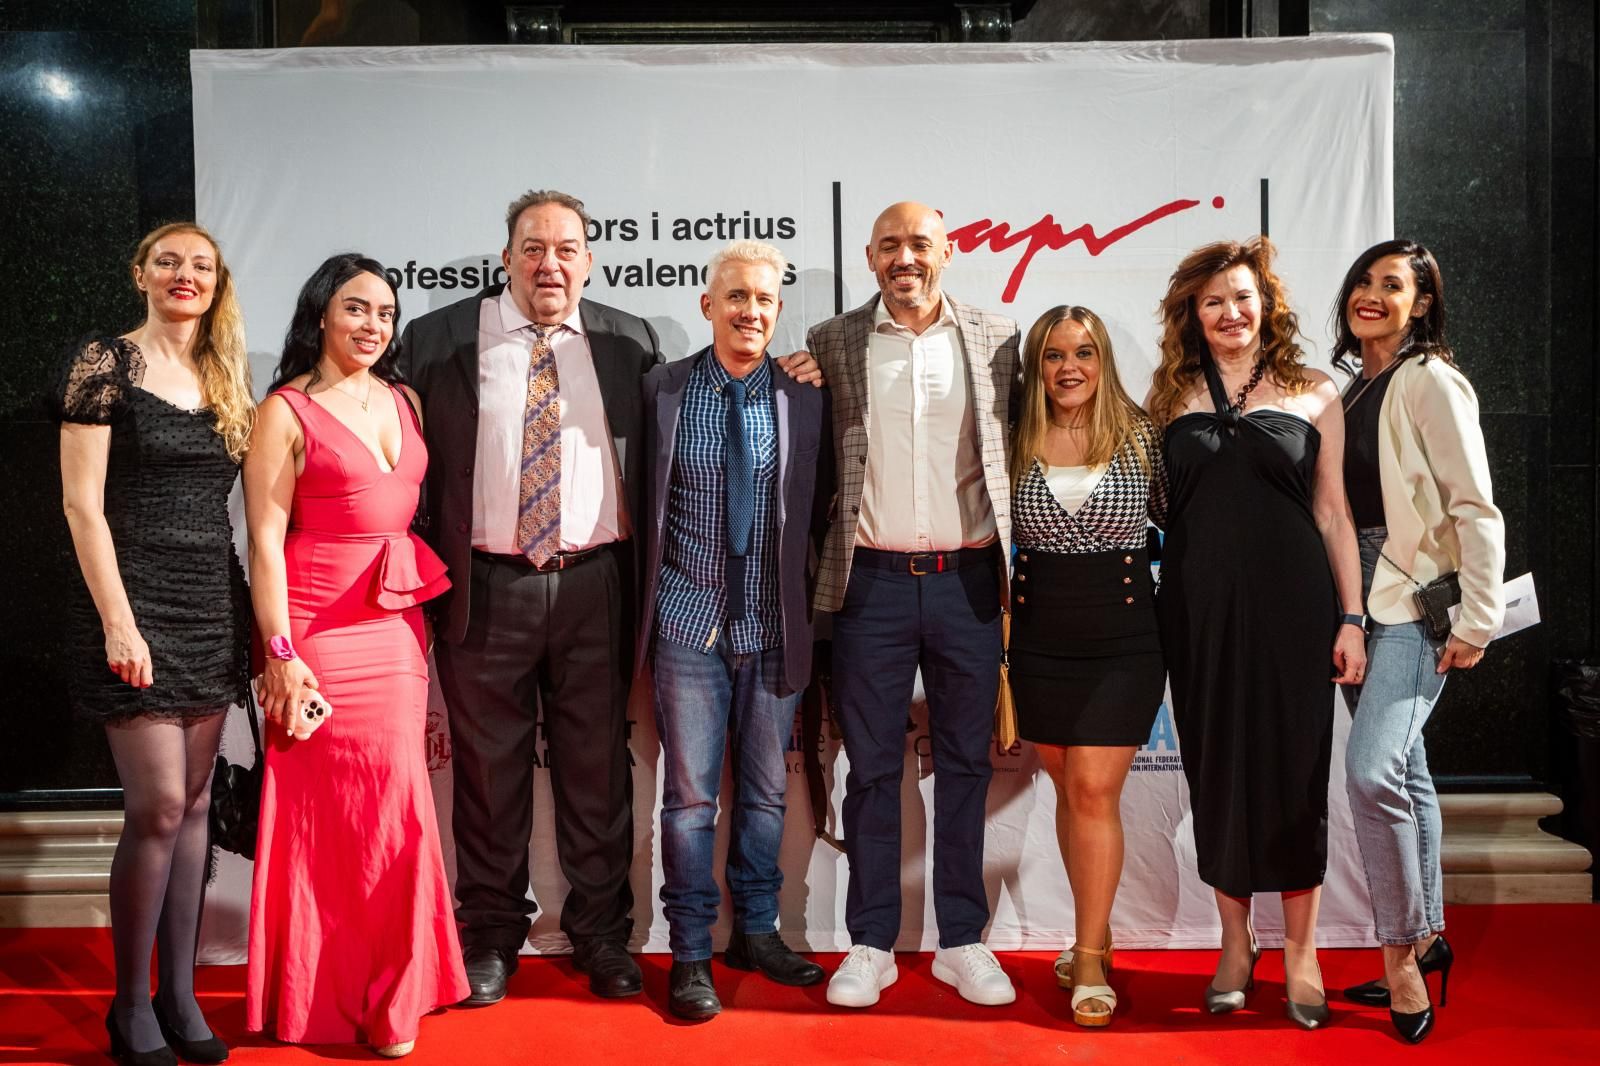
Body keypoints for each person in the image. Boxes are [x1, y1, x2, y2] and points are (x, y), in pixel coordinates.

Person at [396, 189, 820, 1006]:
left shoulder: (630, 343)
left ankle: (601, 938)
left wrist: (797, 366)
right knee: (488, 777)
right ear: (507, 256)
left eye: (566, 249)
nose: (549, 263)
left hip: (597, 585)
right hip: (486, 586)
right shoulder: (440, 336)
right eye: (532, 247)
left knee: (598, 774)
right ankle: (489, 938)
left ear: (589, 261)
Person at [243, 254, 467, 1058]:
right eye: (355, 309)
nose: (372, 325)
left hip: (397, 630)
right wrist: (279, 653)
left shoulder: (403, 398)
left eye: (384, 312)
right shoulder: (285, 409)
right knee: (329, 821)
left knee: (399, 807)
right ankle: (321, 993)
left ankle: (395, 991)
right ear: (321, 314)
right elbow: (264, 542)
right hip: (317, 630)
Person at [1148, 236, 1366, 1030]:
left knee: (1297, 774)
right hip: (1198, 615)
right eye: (1213, 301)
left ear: (1265, 304)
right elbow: (1156, 511)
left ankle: (1301, 951)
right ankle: (1235, 944)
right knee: (1217, 773)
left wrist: (1352, 617)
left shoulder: (1315, 391)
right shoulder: (1170, 396)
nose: (1230, 312)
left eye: (1242, 297)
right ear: (1193, 316)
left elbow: (1334, 513)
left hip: (1297, 611)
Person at [809, 201, 1018, 1009]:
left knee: (966, 764)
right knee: (870, 770)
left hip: (969, 580)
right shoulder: (834, 342)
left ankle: (961, 939)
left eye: (920, 244)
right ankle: (871, 942)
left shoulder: (999, 338)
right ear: (869, 257)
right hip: (871, 585)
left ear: (949, 251)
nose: (906, 257)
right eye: (890, 245)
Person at [56, 222, 250, 1066]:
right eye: (168, 261)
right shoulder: (105, 363)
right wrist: (119, 619)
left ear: (216, 283)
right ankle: (129, 1006)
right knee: (161, 806)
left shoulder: (223, 373)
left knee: (200, 807)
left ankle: (180, 995)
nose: (185, 275)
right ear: (140, 272)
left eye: (201, 266)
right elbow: (81, 506)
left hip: (211, 604)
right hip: (130, 606)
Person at [636, 241, 832, 1020]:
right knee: (687, 802)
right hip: (688, 624)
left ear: (778, 311)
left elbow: (817, 512)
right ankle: (689, 953)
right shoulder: (662, 388)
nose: (751, 311)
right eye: (737, 297)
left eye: (765, 300)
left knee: (762, 798)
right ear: (708, 306)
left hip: (775, 624)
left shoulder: (805, 395)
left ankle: (756, 930)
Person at [1331, 240, 1504, 1044]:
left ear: (1423, 303)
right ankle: (1429, 933)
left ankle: (1400, 956)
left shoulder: (1429, 380)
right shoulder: (1353, 388)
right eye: (1364, 282)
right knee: (1407, 772)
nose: (1372, 295)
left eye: (1393, 285)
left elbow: (1476, 506)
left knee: (1370, 773)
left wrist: (1477, 618)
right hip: (1354, 602)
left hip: (1411, 601)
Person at [1007, 305, 1166, 1028]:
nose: (1069, 367)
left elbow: (1188, 521)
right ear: (1035, 365)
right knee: (1073, 786)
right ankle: (1088, 937)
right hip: (1038, 638)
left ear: (1103, 360)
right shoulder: (1011, 440)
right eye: (1053, 355)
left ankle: (1092, 954)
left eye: (1084, 352)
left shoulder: (1141, 438)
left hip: (1125, 638)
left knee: (1096, 788)